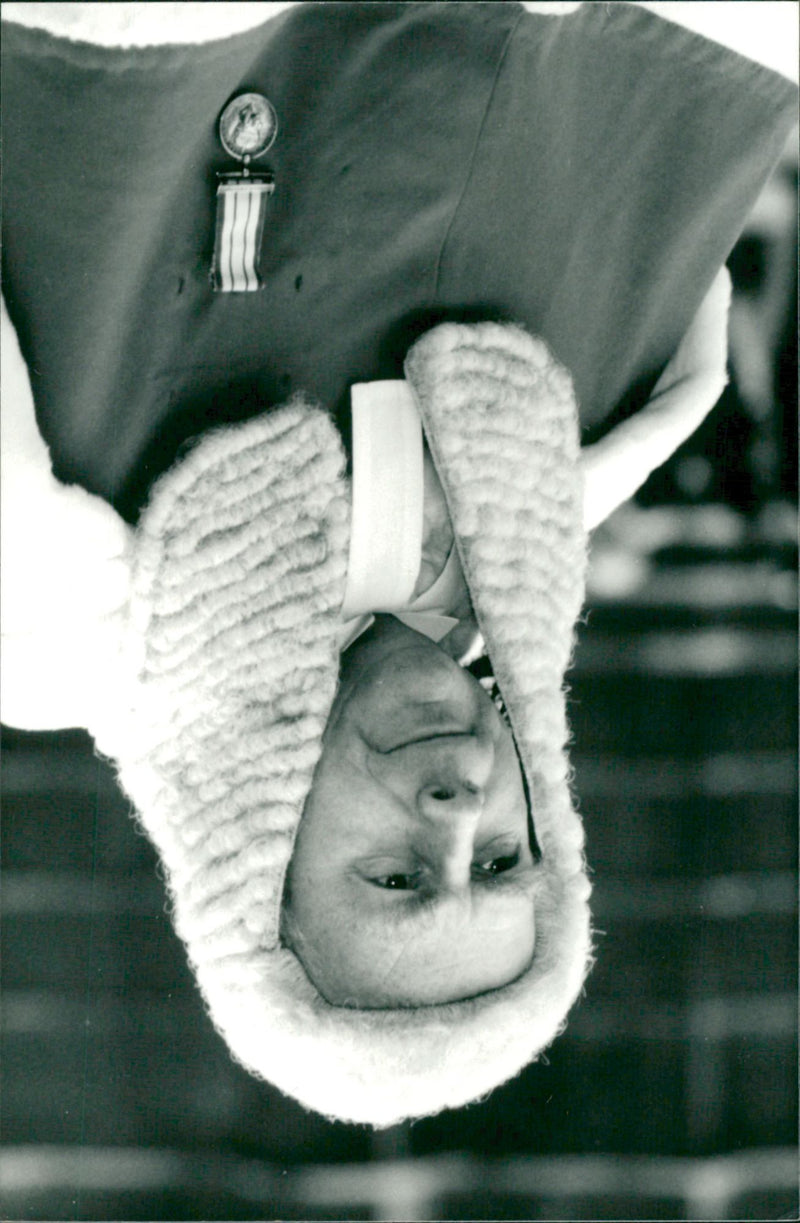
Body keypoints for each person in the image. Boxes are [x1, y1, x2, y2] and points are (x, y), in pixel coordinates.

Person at [1, 2, 796, 1127]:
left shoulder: (44, 605)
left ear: (251, 874)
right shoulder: (567, 461)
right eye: (505, 856)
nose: (457, 805)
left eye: (397, 874)